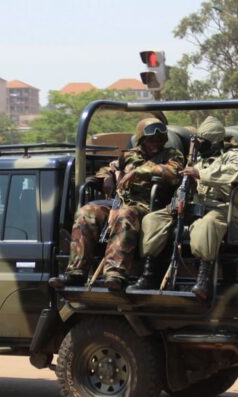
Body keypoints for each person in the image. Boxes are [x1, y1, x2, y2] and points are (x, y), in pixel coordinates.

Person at [49, 118, 184, 291]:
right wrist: (107, 177)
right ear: (142, 139)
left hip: (150, 206)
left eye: (159, 139)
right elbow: (109, 168)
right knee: (86, 212)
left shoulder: (171, 155)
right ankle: (76, 273)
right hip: (120, 202)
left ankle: (115, 274)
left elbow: (173, 172)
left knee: (124, 215)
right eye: (151, 140)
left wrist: (138, 172)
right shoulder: (129, 155)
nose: (156, 143)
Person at [135, 116, 238, 301]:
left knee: (205, 226)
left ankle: (204, 279)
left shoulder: (232, 157)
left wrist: (200, 173)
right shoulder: (196, 160)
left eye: (202, 142)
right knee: (152, 220)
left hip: (221, 208)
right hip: (194, 205)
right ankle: (149, 273)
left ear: (214, 141)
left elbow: (235, 172)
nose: (199, 146)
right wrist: (180, 196)